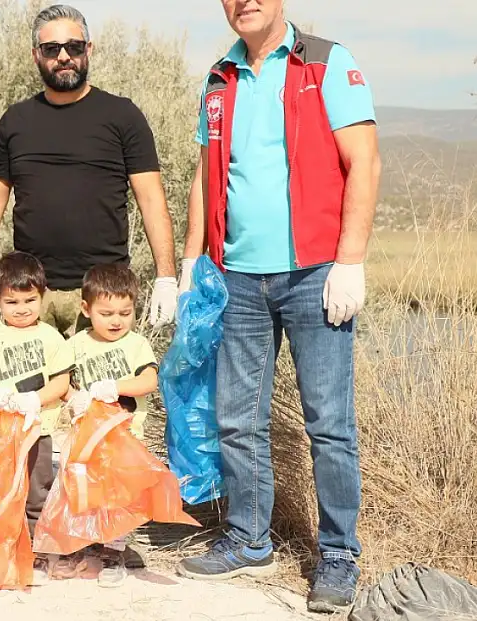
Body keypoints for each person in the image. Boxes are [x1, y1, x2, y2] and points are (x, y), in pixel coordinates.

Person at [176, 1, 381, 615]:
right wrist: (191, 263)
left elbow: (363, 162)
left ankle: (339, 554)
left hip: (316, 272)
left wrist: (351, 260)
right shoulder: (219, 76)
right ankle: (248, 538)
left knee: (329, 424)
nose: (243, 0)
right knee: (238, 418)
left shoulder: (325, 62)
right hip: (236, 278)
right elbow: (206, 175)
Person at [0, 4, 179, 335]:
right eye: (52, 49)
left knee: (105, 389)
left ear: (89, 50)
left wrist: (166, 277)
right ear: (36, 55)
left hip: (102, 295)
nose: (63, 56)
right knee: (32, 389)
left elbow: (151, 200)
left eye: (74, 47)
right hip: (30, 295)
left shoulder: (122, 116)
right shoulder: (15, 121)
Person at [0, 251, 75, 584]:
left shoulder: (51, 338)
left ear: (43, 296)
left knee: (37, 489)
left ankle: (38, 549)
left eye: (30, 299)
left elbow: (62, 381)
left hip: (37, 428)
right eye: (12, 301)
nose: (22, 308)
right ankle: (0, 546)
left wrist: (35, 399)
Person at [59, 263, 159, 587]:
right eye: (107, 313)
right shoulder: (75, 345)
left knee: (120, 495)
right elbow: (63, 383)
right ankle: (84, 542)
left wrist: (116, 387)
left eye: (125, 312)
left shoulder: (136, 344)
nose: (117, 320)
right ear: (86, 309)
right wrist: (75, 398)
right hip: (86, 437)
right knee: (85, 491)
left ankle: (113, 551)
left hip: (126, 436)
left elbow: (149, 380)